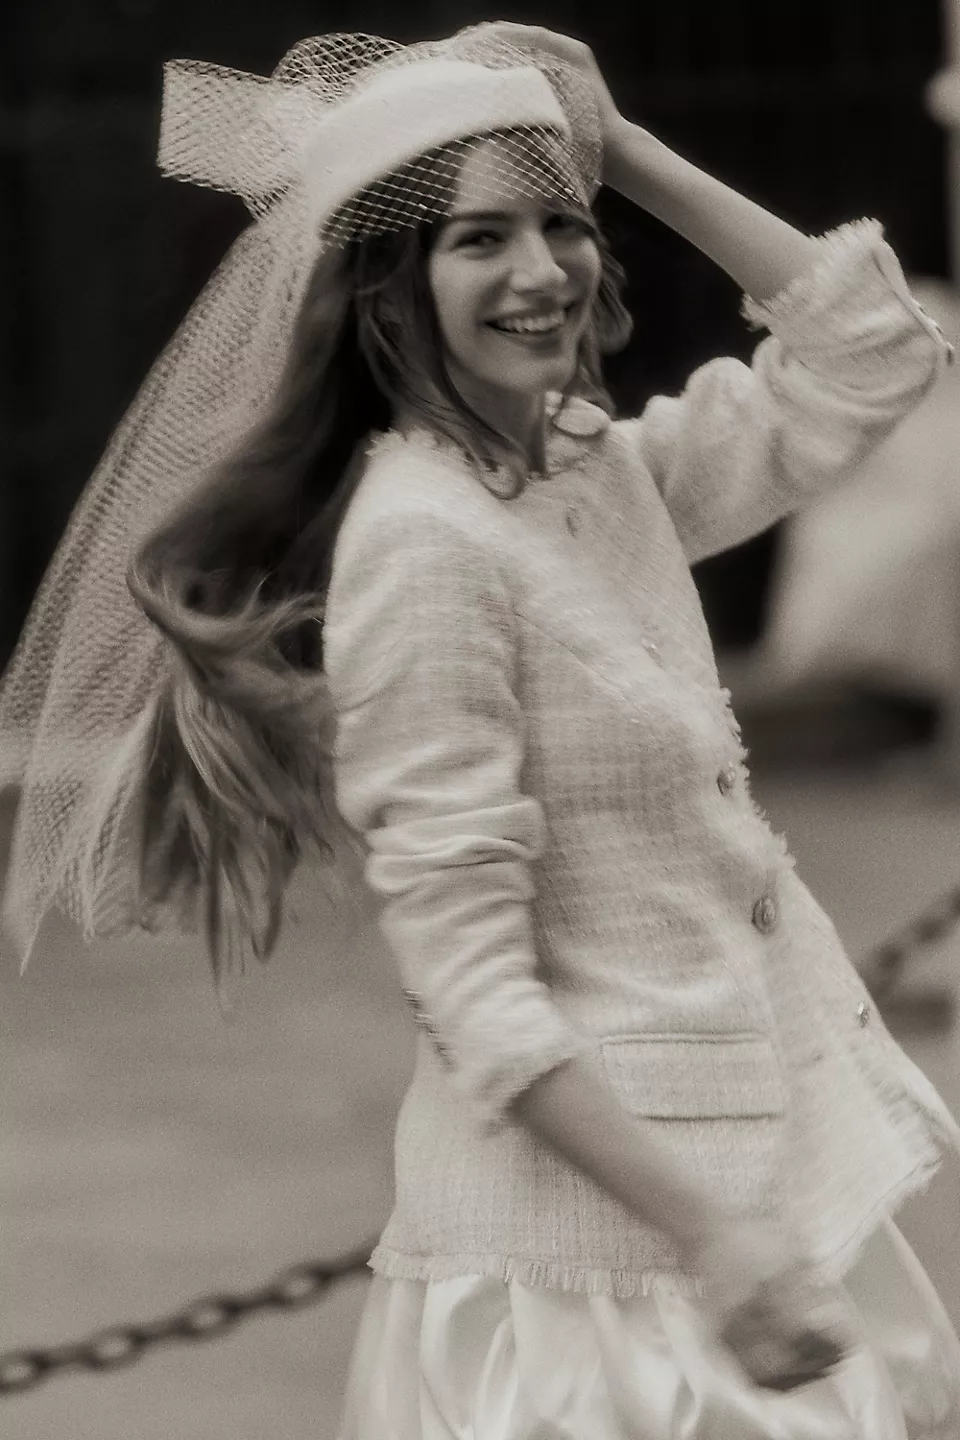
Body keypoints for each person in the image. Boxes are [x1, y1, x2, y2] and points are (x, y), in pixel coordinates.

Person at [1, 20, 959, 1434]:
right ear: (385, 294)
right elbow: (475, 994)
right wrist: (715, 1236)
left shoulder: (590, 472)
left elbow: (871, 358)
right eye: (477, 239)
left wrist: (620, 147)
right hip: (597, 1278)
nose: (542, 269)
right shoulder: (423, 549)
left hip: (758, 1184)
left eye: (560, 222)